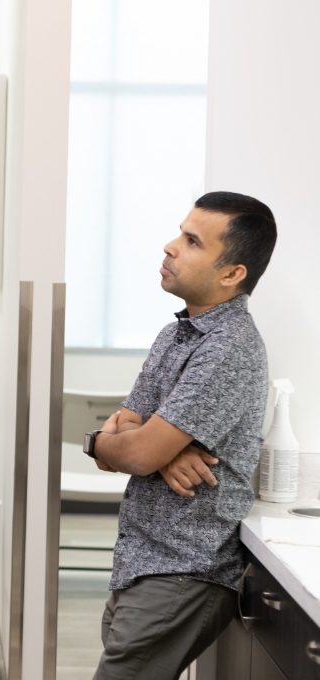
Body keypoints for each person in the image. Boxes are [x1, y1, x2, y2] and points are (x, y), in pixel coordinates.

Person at [82, 192, 277, 679]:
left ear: (233, 273)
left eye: (192, 241)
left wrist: (115, 444)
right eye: (180, 233)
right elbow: (127, 427)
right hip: (142, 558)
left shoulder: (229, 348)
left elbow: (135, 447)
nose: (170, 247)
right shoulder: (177, 335)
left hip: (184, 569)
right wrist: (155, 448)